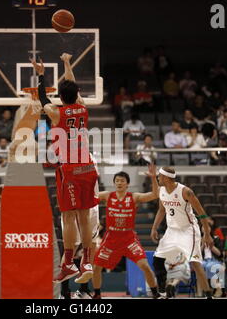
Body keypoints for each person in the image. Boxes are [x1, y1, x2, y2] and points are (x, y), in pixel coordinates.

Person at [31, 53, 99, 283]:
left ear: (60, 96)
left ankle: (70, 263)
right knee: (85, 216)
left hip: (69, 169)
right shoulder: (82, 107)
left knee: (68, 217)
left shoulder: (56, 112)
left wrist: (41, 75)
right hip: (88, 167)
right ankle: (86, 260)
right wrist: (67, 63)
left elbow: (42, 98)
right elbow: (72, 88)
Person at [92, 167, 162, 299]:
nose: (119, 183)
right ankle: (97, 294)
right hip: (111, 238)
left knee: (145, 266)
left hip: (128, 238)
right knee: (96, 267)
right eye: (117, 181)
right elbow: (90, 196)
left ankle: (155, 294)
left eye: (122, 181)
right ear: (114, 183)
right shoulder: (107, 195)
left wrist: (153, 178)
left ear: (127, 184)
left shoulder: (134, 197)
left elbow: (154, 195)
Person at [151, 166, 214, 298]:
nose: (158, 178)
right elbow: (162, 210)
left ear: (166, 178)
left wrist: (206, 234)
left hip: (188, 231)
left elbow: (202, 214)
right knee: (157, 259)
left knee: (195, 264)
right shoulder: (161, 190)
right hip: (172, 231)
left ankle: (209, 295)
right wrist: (154, 227)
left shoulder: (186, 191)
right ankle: (162, 292)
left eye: (160, 176)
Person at [201, 218, 225, 298]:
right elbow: (197, 254)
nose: (205, 229)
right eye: (203, 227)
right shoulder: (198, 240)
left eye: (207, 227)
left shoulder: (216, 238)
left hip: (215, 260)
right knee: (199, 266)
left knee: (209, 266)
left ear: (210, 229)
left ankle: (216, 288)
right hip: (204, 260)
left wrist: (211, 245)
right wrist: (203, 244)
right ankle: (205, 289)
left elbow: (219, 254)